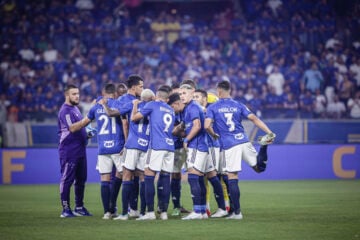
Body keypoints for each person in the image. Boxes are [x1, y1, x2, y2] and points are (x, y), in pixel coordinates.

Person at [204, 80, 276, 220]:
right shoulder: (238, 105)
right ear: (230, 90)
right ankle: (264, 145)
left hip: (229, 145)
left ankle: (237, 213)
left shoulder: (213, 107)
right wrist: (269, 131)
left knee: (232, 177)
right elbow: (254, 118)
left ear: (218, 91)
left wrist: (214, 135)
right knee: (259, 168)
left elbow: (207, 125)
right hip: (243, 140)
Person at [70, 83, 125, 219]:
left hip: (103, 148)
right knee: (122, 177)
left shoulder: (96, 107)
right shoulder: (119, 104)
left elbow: (84, 123)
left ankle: (107, 212)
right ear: (114, 93)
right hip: (118, 147)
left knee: (105, 180)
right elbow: (126, 123)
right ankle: (116, 208)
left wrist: (71, 128)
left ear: (103, 92)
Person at [132, 87, 175, 220]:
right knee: (165, 178)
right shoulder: (171, 109)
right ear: (167, 99)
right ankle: (163, 213)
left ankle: (150, 212)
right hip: (170, 146)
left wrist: (135, 105)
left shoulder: (153, 104)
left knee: (148, 176)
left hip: (156, 145)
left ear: (156, 96)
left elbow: (134, 118)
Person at [111, 89, 155, 220]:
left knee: (126, 175)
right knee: (143, 177)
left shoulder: (132, 104)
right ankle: (142, 212)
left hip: (132, 144)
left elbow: (124, 120)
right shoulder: (154, 108)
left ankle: (125, 213)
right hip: (146, 145)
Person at [57, 84, 92, 218]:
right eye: (73, 94)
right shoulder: (65, 110)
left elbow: (79, 127)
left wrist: (87, 133)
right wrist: (88, 119)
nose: (77, 96)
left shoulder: (75, 108)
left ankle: (79, 207)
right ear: (67, 95)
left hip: (80, 150)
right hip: (69, 151)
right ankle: (65, 209)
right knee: (67, 179)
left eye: (77, 93)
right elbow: (72, 128)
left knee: (81, 179)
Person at [193, 89, 228, 218]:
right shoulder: (194, 107)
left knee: (215, 176)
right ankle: (205, 208)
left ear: (205, 98)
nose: (194, 98)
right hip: (202, 146)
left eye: (197, 96)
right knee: (205, 177)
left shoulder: (210, 107)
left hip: (212, 146)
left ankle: (223, 206)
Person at [177, 84, 209, 220]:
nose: (182, 96)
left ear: (192, 93)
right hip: (200, 146)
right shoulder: (187, 109)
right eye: (180, 93)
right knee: (199, 178)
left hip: (197, 145)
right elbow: (189, 127)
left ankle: (197, 211)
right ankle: (201, 211)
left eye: (184, 93)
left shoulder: (193, 107)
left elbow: (197, 126)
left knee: (193, 177)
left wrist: (186, 140)